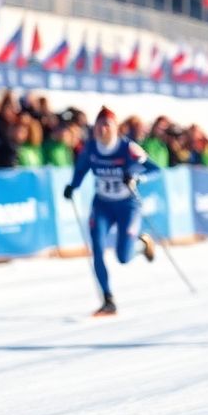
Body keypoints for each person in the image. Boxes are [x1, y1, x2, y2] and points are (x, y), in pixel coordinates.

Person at [63, 106, 160, 316]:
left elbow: (155, 170)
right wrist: (73, 186)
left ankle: (143, 245)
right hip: (102, 205)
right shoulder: (90, 148)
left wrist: (135, 176)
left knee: (123, 257)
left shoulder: (128, 148)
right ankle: (108, 300)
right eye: (99, 126)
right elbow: (81, 170)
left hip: (127, 205)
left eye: (107, 126)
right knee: (97, 248)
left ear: (116, 128)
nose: (102, 130)